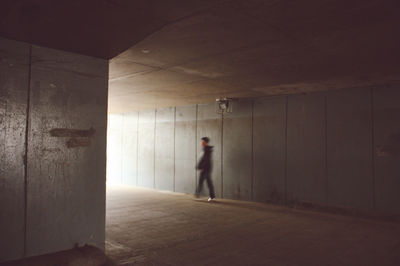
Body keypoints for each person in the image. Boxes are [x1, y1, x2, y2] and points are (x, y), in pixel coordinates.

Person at [196, 137, 216, 201]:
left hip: (206, 169)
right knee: (204, 181)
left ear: (205, 142)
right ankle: (198, 194)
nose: (201, 143)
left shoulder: (207, 150)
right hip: (205, 168)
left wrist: (202, 167)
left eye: (202, 142)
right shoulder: (205, 149)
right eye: (201, 141)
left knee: (206, 182)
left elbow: (206, 160)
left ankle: (199, 194)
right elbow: (202, 159)